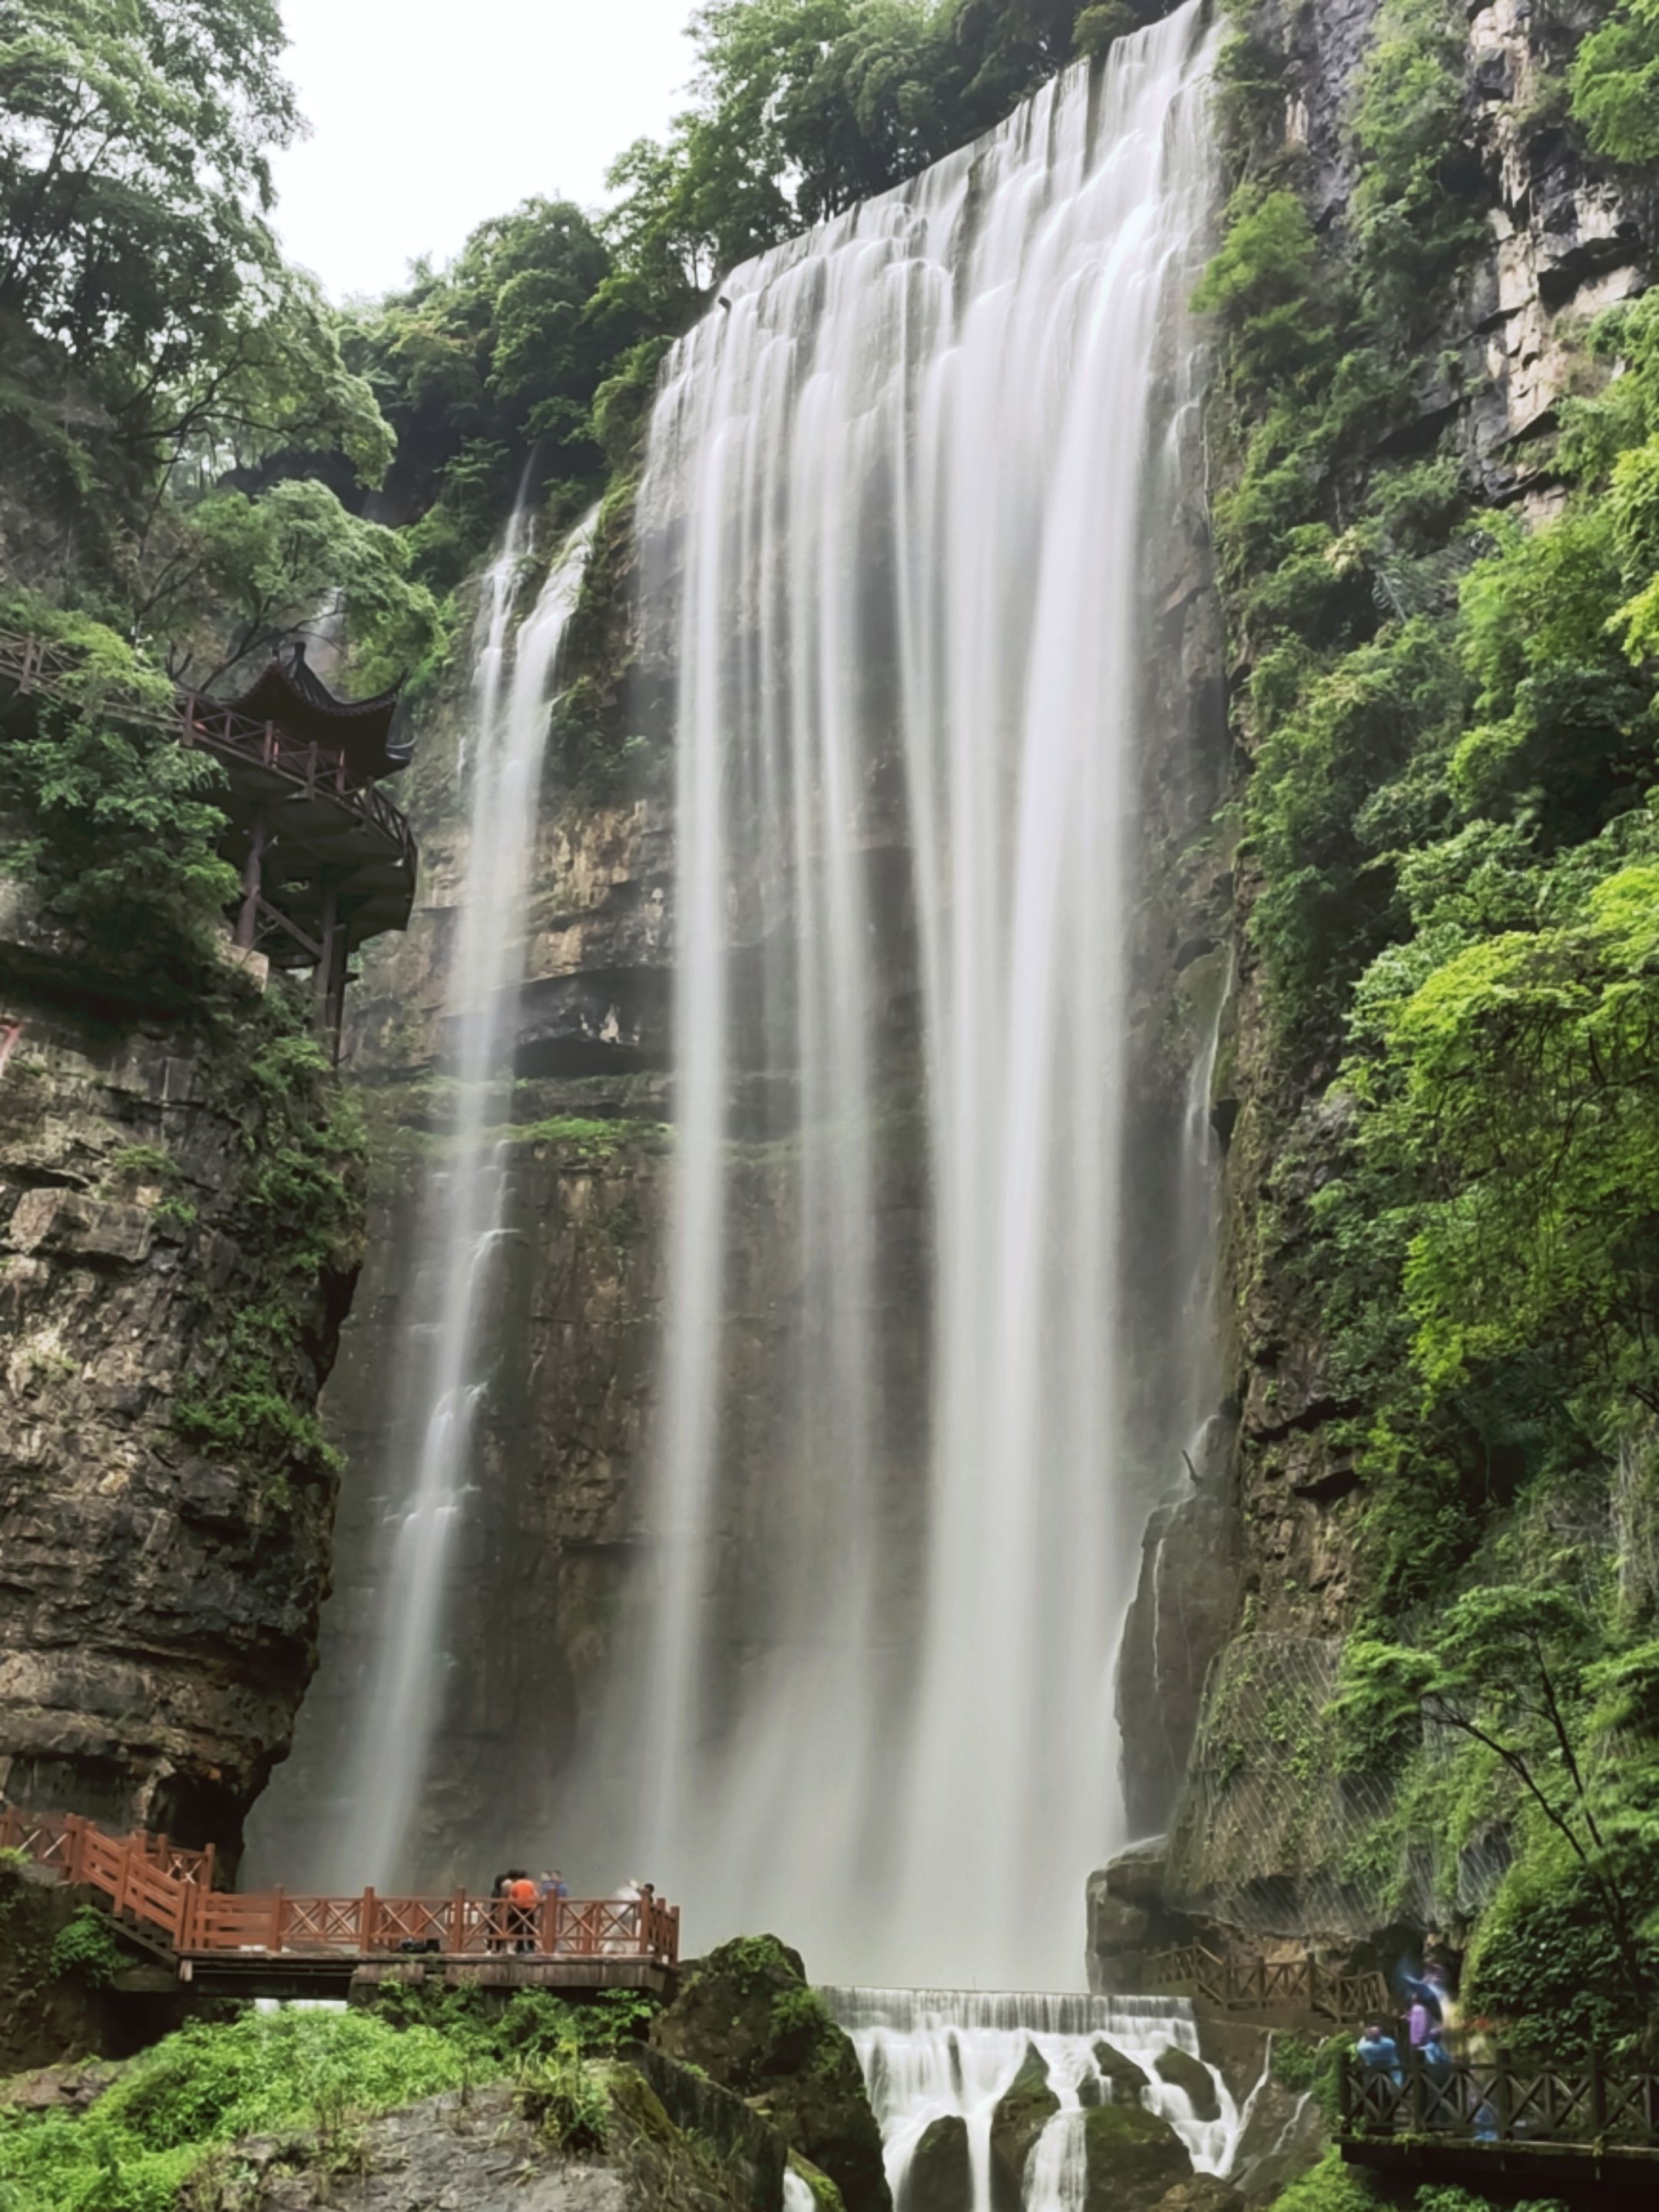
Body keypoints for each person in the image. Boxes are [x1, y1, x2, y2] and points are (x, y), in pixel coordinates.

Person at [1356, 2018, 1403, 2108]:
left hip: (1372, 2074)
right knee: (1387, 2100)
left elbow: (1360, 2045)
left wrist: (1365, 2035)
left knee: (1373, 2099)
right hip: (1388, 2073)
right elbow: (1391, 2044)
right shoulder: (1389, 2044)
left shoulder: (1364, 2048)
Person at [507, 1868, 540, 1953]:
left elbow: (511, 1897)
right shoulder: (531, 1884)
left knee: (519, 1928)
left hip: (519, 1908)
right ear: (526, 1876)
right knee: (530, 1928)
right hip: (530, 1908)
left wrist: (512, 1905)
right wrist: (536, 1904)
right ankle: (531, 1948)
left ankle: (520, 1948)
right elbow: (536, 1895)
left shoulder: (515, 1885)